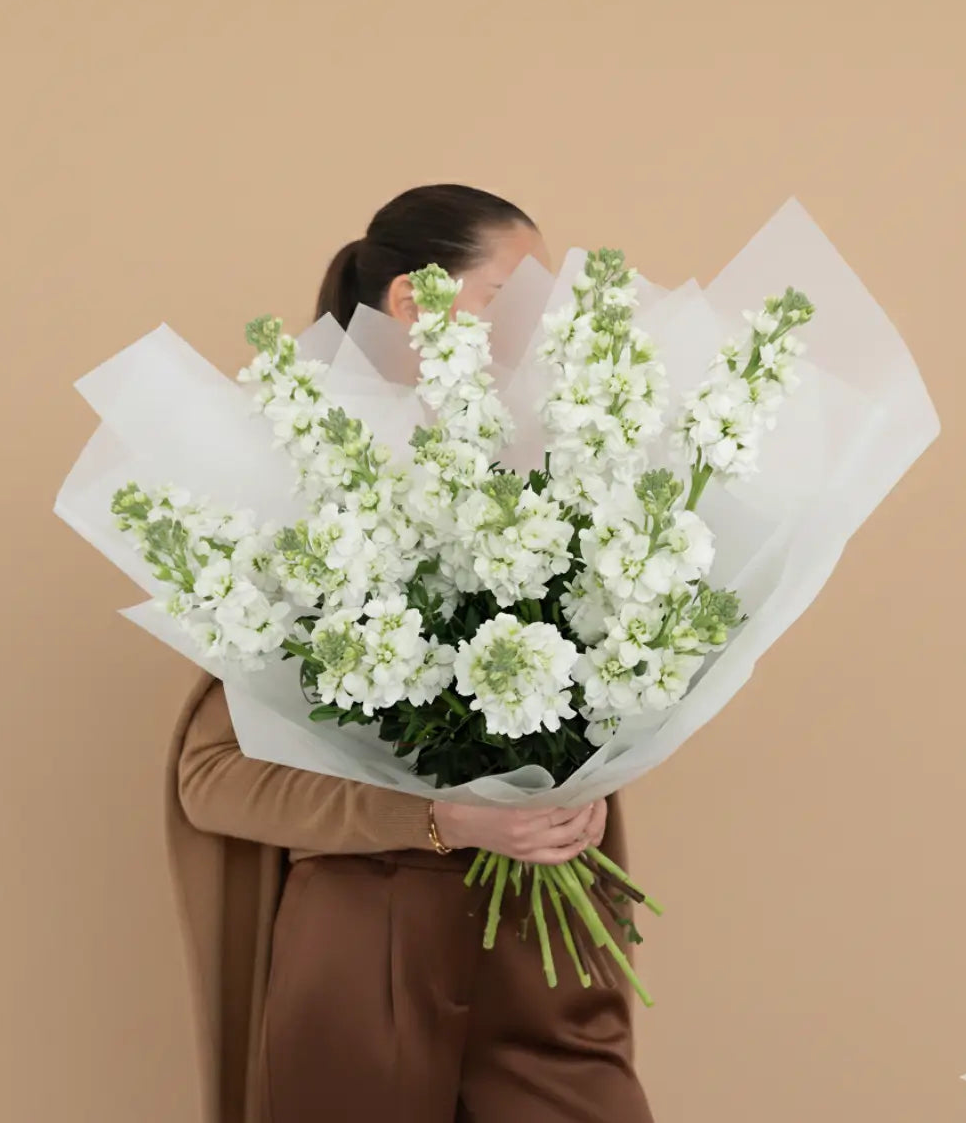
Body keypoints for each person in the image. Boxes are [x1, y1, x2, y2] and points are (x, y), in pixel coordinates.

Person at [166, 184, 655, 1123]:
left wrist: (584, 776)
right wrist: (445, 820)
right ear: (416, 303)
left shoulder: (553, 485)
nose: (540, 325)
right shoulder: (305, 504)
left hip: (543, 936)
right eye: (512, 295)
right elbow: (214, 779)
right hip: (369, 948)